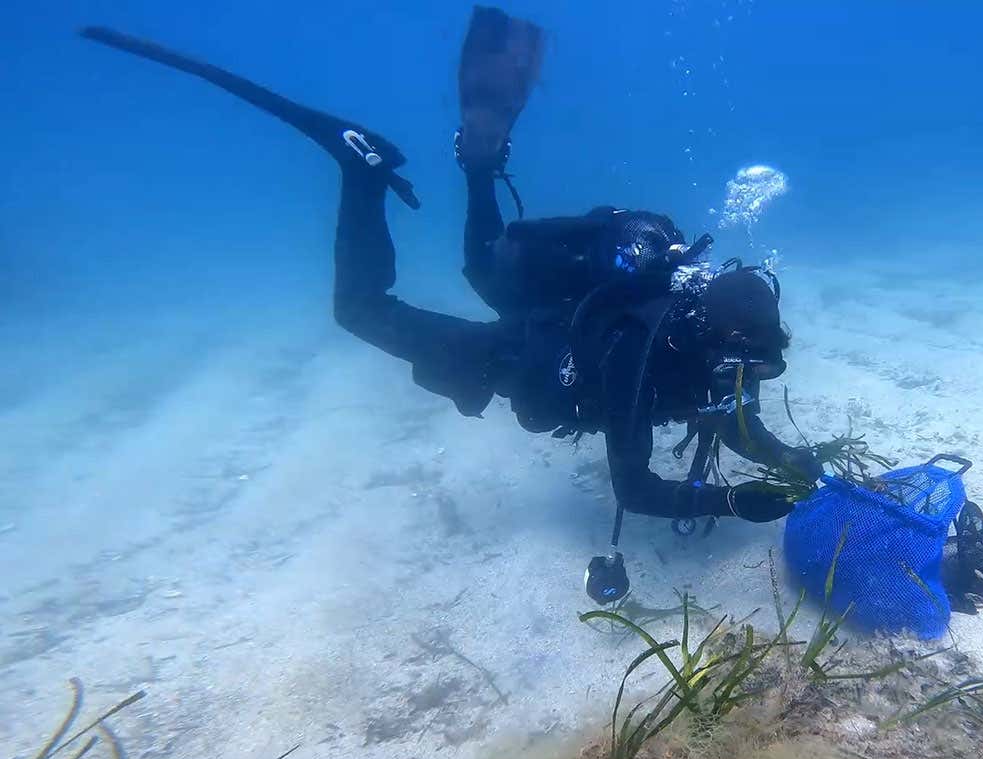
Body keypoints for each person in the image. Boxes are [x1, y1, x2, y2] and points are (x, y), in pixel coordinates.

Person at [80, 8, 820, 548]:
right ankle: (359, 168)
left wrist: (789, 463)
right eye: (741, 363)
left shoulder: (721, 350)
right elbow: (633, 488)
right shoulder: (642, 343)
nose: (743, 377)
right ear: (705, 327)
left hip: (552, 311)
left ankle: (475, 164)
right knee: (361, 310)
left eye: (753, 365)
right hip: (518, 358)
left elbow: (738, 423)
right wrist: (730, 503)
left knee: (484, 264)